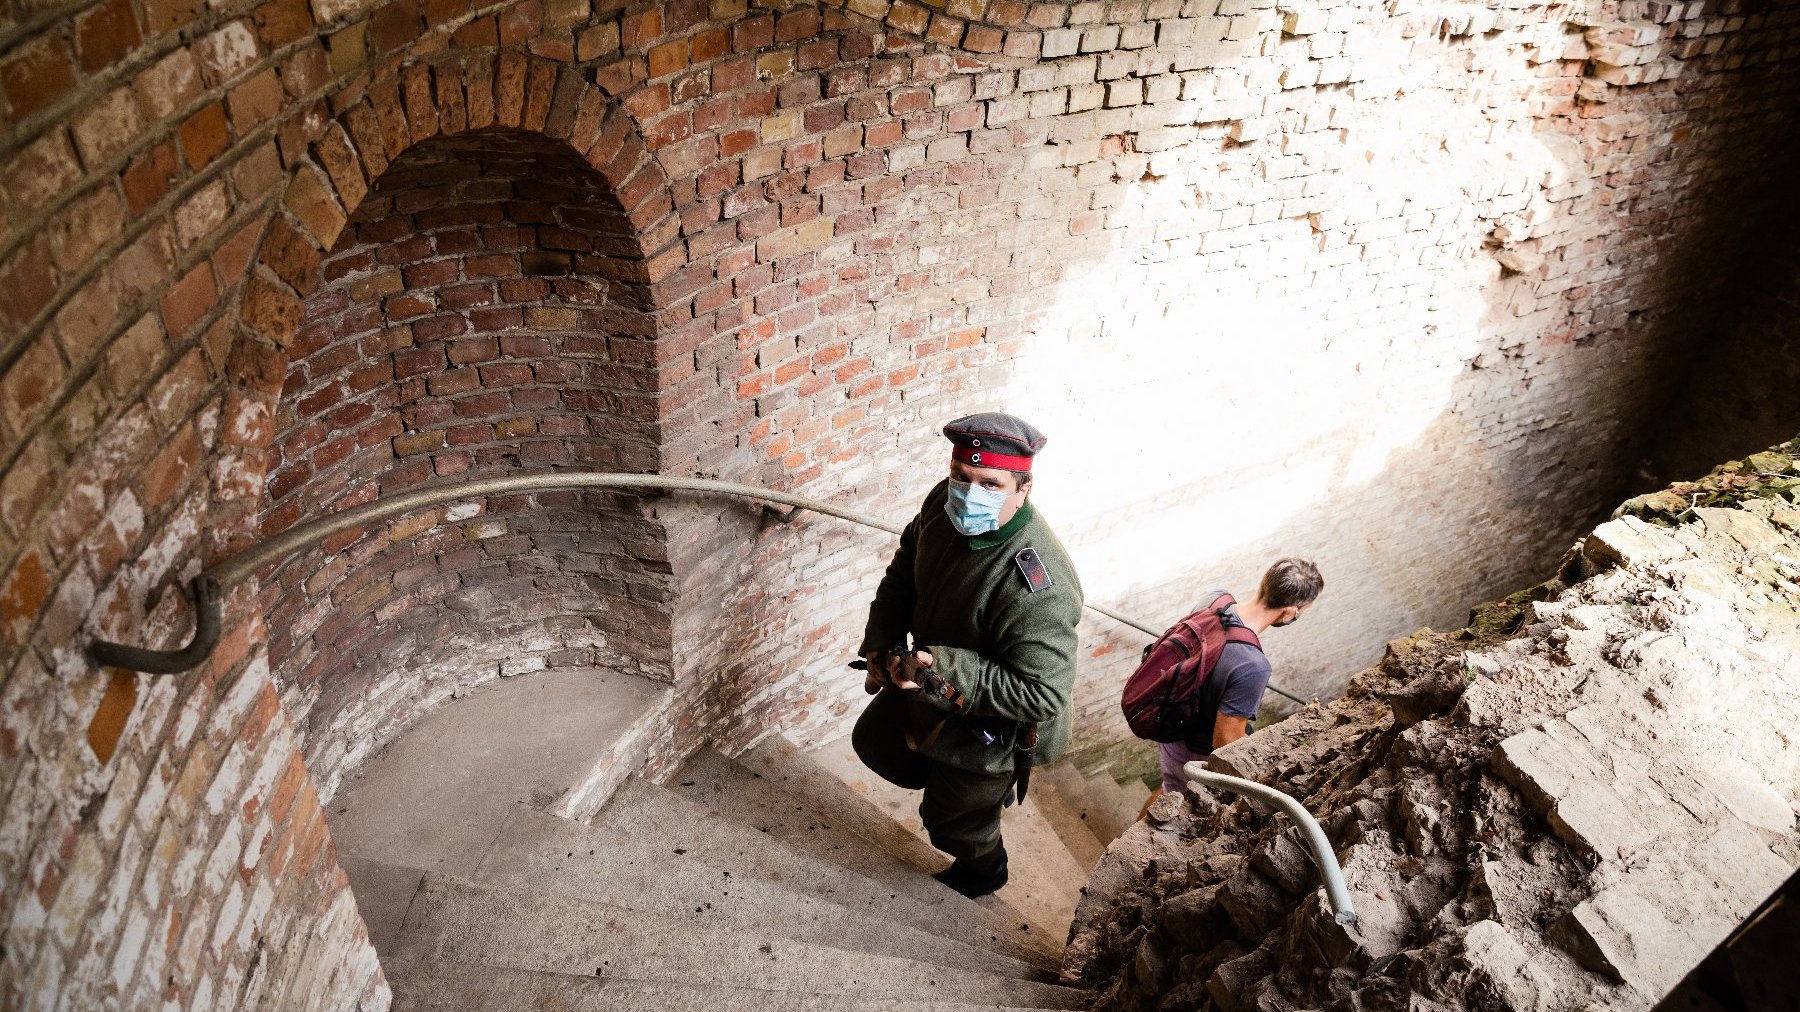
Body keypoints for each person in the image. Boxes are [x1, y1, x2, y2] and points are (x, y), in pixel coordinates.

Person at [852, 412, 1084, 899]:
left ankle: (985, 869)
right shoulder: (943, 503)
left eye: (990, 483)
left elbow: (1043, 693)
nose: (969, 492)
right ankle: (944, 775)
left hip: (995, 727)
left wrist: (947, 668)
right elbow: (905, 566)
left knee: (951, 822)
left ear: (1024, 488)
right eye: (961, 476)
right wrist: (884, 639)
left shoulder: (1037, 588)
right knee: (875, 741)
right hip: (930, 683)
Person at [1145, 558, 1323, 812]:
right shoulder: (1253, 667)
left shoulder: (1214, 600)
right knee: (1173, 802)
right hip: (1193, 752)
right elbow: (1224, 742)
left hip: (1171, 723)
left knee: (1168, 788)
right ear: (1290, 611)